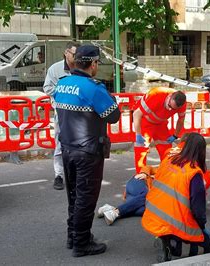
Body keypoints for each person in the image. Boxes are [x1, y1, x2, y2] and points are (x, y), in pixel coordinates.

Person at [53, 45, 121, 257]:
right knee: (85, 198)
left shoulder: (62, 84)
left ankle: (72, 236)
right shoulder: (93, 88)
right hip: (88, 152)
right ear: (93, 64)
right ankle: (81, 243)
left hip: (67, 149)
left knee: (73, 196)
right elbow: (113, 115)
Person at [97, 135, 210, 226]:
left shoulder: (198, 174)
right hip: (140, 184)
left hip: (150, 197)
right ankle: (116, 212)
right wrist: (144, 172)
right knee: (149, 197)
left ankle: (111, 209)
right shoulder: (176, 163)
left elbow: (197, 198)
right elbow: (150, 168)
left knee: (151, 209)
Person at [141, 132, 210, 262]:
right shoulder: (194, 173)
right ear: (201, 151)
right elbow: (198, 209)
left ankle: (168, 241)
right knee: (207, 241)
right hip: (175, 219)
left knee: (177, 234)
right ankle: (176, 240)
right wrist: (201, 226)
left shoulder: (169, 160)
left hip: (153, 213)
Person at [43, 41, 81, 190]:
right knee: (60, 144)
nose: (77, 58)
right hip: (62, 113)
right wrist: (65, 93)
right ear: (66, 53)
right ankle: (59, 175)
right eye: (74, 54)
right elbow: (47, 88)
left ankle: (75, 174)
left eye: (79, 55)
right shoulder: (55, 69)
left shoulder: (81, 68)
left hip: (79, 114)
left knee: (77, 144)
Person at [133, 87, 187, 173]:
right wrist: (138, 134)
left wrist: (175, 135)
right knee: (141, 148)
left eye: (173, 109)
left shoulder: (182, 103)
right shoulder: (156, 95)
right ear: (169, 96)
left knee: (166, 148)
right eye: (169, 106)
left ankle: (166, 172)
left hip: (161, 123)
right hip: (145, 121)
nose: (170, 109)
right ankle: (141, 175)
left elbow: (181, 120)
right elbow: (136, 114)